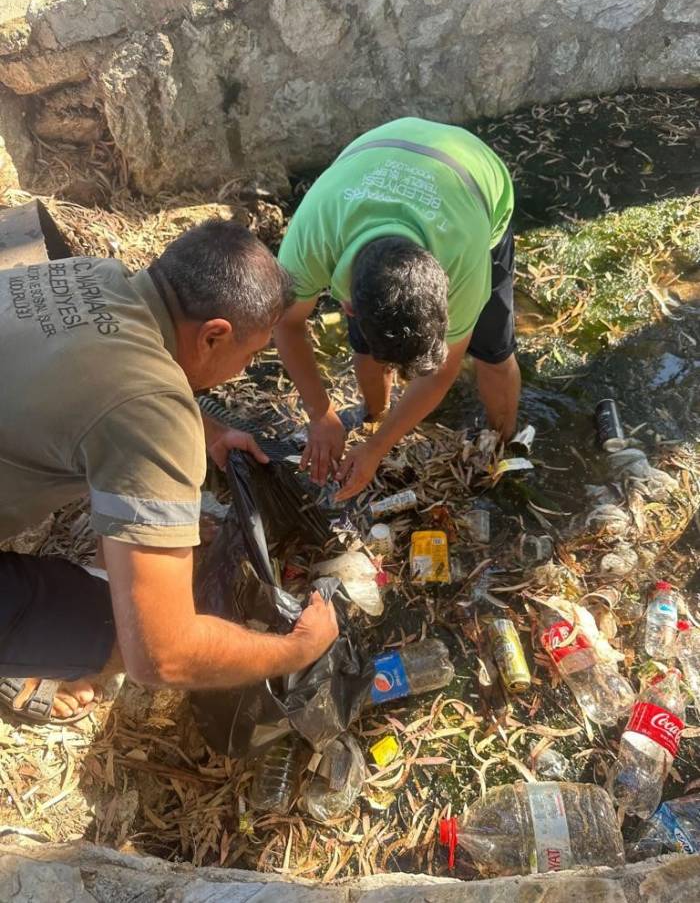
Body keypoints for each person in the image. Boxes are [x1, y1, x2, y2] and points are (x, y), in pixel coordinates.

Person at [0, 219, 338, 724]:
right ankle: (27, 661)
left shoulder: (92, 275)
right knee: (118, 625)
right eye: (250, 354)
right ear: (213, 336)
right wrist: (298, 648)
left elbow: (108, 376)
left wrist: (213, 433)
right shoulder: (157, 417)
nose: (246, 369)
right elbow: (162, 655)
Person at [275, 117, 520, 501]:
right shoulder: (311, 238)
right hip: (376, 160)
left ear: (447, 298)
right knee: (368, 350)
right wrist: (320, 413)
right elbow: (286, 325)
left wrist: (376, 450)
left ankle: (500, 443)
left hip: (472, 178)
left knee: (493, 353)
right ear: (349, 306)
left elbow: (440, 374)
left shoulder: (466, 262)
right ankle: (375, 414)